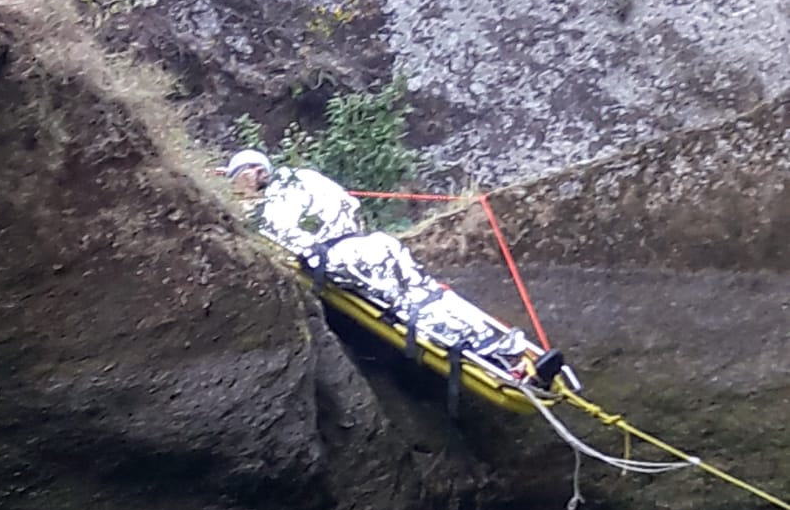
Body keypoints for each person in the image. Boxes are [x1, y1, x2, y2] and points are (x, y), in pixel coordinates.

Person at [222, 150, 565, 387]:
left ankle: (502, 363)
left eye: (239, 177)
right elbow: (349, 206)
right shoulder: (306, 178)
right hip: (374, 243)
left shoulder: (268, 205)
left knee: (408, 312)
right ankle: (509, 349)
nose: (237, 184)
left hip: (343, 259)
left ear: (253, 172)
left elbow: (285, 242)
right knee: (428, 298)